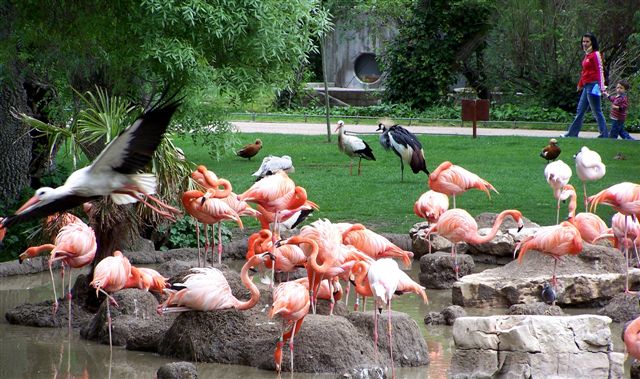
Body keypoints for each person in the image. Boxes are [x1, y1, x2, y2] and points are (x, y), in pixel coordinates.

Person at [562, 32, 608, 138]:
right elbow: (584, 72)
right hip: (587, 86)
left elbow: (600, 70)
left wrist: (602, 87)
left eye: (587, 41)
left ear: (592, 42)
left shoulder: (596, 54)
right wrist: (580, 83)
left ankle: (604, 134)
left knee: (596, 110)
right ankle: (572, 134)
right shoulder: (587, 54)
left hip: (593, 86)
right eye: (583, 41)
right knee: (580, 110)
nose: (585, 43)